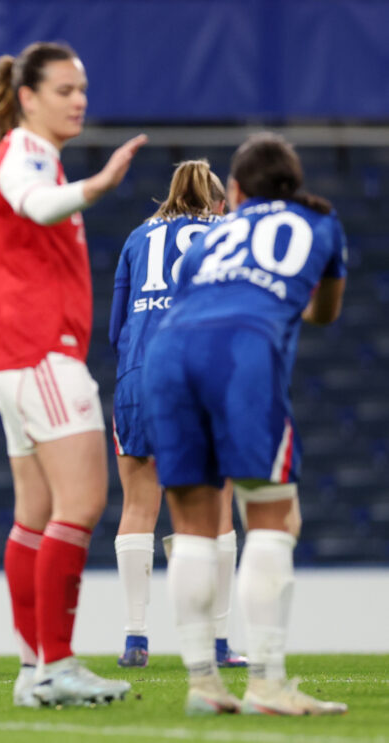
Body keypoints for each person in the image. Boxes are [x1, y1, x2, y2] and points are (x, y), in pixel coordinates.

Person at [144, 133, 347, 716]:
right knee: (274, 517)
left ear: (233, 191)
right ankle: (266, 681)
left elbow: (192, 302)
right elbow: (324, 311)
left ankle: (203, 684)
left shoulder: (212, 234)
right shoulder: (322, 224)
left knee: (193, 525)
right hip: (242, 358)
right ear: (295, 184)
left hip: (169, 354)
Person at [0, 42, 146, 707]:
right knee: (81, 504)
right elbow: (36, 205)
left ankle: (33, 667)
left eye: (83, 88)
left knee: (35, 514)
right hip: (41, 351)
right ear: (29, 97)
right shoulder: (25, 154)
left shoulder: (27, 154)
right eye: (66, 89)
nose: (80, 99)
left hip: (15, 358)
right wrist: (97, 187)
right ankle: (57, 663)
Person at [109, 160, 246, 669]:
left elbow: (116, 327)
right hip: (204, 373)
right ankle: (216, 642)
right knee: (217, 507)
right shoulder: (228, 232)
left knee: (137, 506)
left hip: (139, 375)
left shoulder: (137, 237)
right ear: (218, 203)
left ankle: (135, 639)